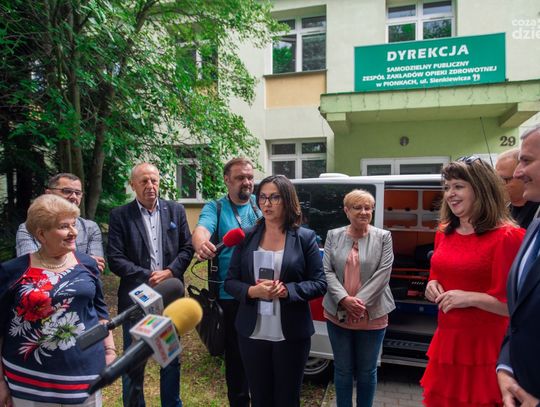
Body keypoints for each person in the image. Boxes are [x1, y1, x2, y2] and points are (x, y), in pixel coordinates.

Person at [421, 157, 525, 407]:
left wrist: (469, 298)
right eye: (447, 187)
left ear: (481, 188)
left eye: (458, 186)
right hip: (447, 344)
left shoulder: (508, 237)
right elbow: (438, 275)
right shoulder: (444, 232)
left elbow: (516, 307)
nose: (450, 194)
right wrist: (431, 285)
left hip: (485, 350)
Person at [0, 194, 115, 406]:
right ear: (41, 234)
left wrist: (110, 350)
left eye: (74, 224)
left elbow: (99, 311)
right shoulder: (12, 271)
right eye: (64, 227)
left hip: (85, 375)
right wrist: (0, 381)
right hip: (29, 381)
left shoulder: (88, 264)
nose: (73, 232)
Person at [224, 175, 327, 407]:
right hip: (252, 333)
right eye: (262, 197)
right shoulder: (246, 236)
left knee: (287, 399)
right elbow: (230, 282)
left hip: (291, 334)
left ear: (287, 200)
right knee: (260, 398)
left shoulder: (305, 238)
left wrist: (287, 291)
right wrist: (253, 291)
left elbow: (320, 283)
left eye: (274, 197)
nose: (267, 203)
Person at [107, 163, 193, 407]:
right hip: (136, 300)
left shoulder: (175, 210)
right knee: (133, 363)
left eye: (154, 180)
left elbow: (187, 248)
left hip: (169, 298)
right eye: (143, 181)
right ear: (133, 185)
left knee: (170, 359)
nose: (150, 186)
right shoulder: (120, 215)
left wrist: (171, 272)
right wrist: (148, 275)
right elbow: (115, 258)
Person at [192, 157, 261, 407]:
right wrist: (201, 244)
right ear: (227, 180)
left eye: (250, 177)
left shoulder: (261, 204)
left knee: (261, 355)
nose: (247, 182)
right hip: (230, 296)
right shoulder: (216, 208)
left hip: (262, 292)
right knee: (236, 358)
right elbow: (202, 230)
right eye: (240, 177)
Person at [322, 189, 395, 407]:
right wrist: (344, 300)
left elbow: (384, 273)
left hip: (372, 315)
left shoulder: (384, 237)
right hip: (337, 313)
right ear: (346, 210)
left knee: (367, 371)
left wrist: (358, 304)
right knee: (342, 370)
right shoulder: (333, 235)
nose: (363, 212)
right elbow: (326, 271)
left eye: (367, 208)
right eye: (357, 207)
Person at [498, 125, 540, 407]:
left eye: (527, 161)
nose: (518, 173)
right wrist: (506, 365)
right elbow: (521, 317)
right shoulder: (534, 223)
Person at [16, 173, 106, 271]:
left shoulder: (90, 227)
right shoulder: (28, 229)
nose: (73, 196)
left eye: (78, 193)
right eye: (67, 191)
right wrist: (84, 261)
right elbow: (29, 268)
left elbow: (96, 267)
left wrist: (49, 264)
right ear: (49, 194)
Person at [495, 148, 540, 228]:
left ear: (524, 177)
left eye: (504, 179)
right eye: (496, 179)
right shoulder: (501, 212)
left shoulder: (537, 212)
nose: (498, 185)